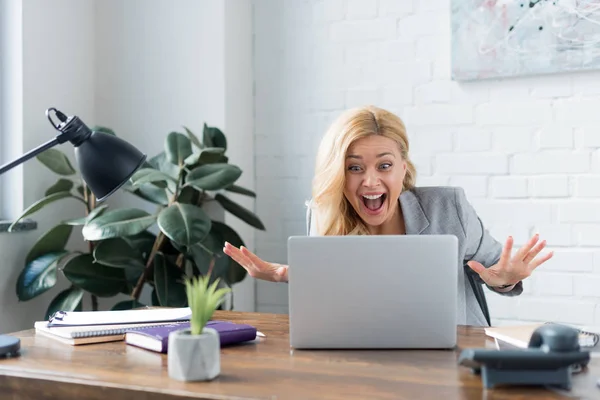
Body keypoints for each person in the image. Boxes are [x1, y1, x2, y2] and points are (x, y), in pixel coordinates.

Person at [223, 105, 553, 326]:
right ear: (338, 174)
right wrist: (286, 274)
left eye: (384, 165)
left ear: (403, 169)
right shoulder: (327, 214)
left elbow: (498, 269)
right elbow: (334, 301)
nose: (370, 181)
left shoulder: (448, 208)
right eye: (354, 167)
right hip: (366, 361)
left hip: (456, 360)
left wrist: (505, 277)